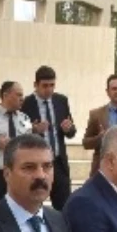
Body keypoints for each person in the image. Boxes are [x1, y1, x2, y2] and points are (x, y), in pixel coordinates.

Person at [21, 66, 78, 210]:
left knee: (64, 207)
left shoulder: (61, 101)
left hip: (58, 163)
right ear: (36, 85)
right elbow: (19, 135)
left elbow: (71, 131)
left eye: (52, 85)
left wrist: (69, 129)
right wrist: (34, 130)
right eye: (45, 86)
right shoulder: (26, 104)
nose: (49, 89)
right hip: (35, 164)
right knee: (32, 205)